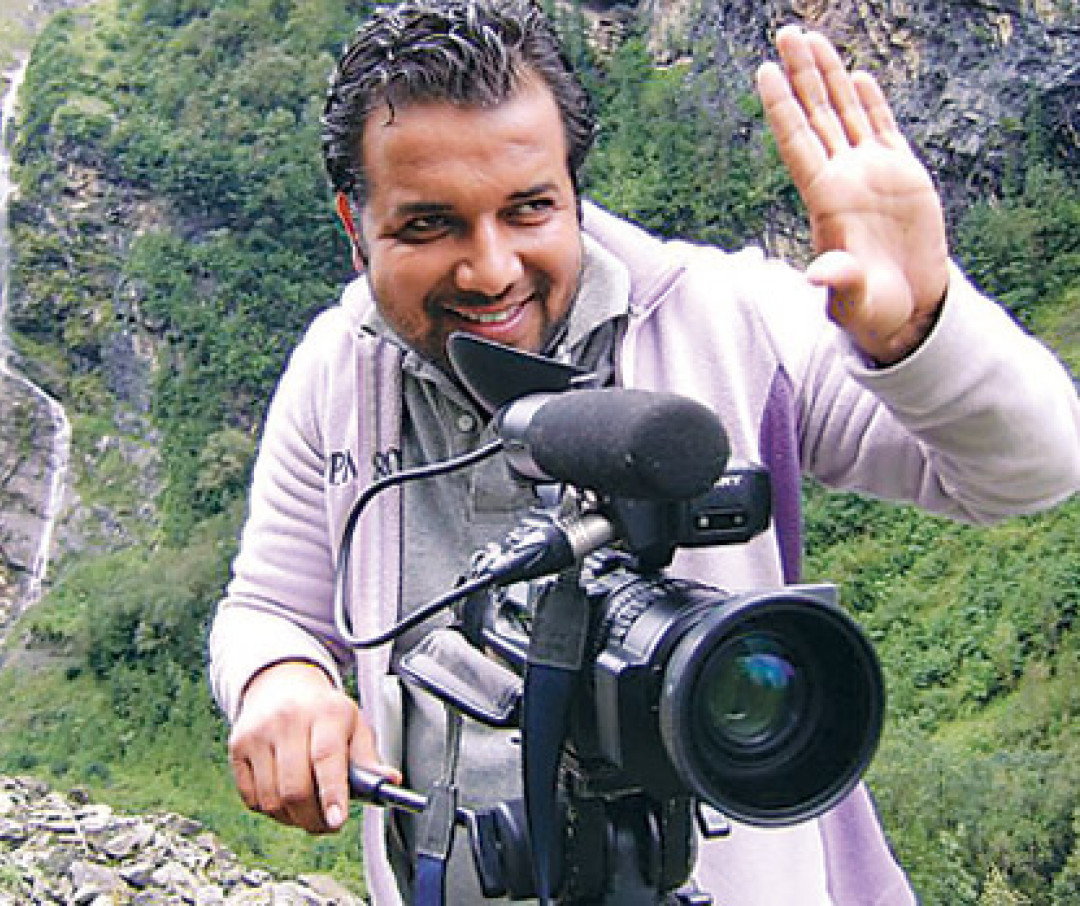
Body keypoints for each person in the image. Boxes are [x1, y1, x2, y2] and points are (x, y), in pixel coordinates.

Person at [208, 1, 1080, 903]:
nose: (492, 269)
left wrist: (921, 327)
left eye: (530, 208)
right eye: (429, 226)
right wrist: (279, 680)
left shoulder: (731, 321)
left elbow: (1033, 471)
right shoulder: (338, 370)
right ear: (354, 227)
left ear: (575, 193)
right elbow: (268, 607)